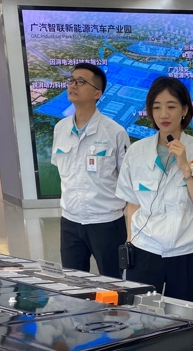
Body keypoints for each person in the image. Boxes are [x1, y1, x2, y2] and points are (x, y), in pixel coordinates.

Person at [115, 76, 193, 302]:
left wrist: (186, 168)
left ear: (184, 110)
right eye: (157, 107)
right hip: (144, 250)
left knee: (181, 315)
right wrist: (130, 242)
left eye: (171, 106)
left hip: (185, 253)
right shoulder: (136, 152)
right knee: (141, 315)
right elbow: (132, 204)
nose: (163, 114)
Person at [51, 62, 130, 278]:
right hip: (70, 221)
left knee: (113, 283)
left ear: (97, 93)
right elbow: (62, 169)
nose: (73, 85)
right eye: (71, 80)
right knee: (73, 283)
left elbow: (127, 179)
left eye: (81, 82)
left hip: (106, 222)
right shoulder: (60, 129)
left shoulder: (115, 132)